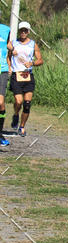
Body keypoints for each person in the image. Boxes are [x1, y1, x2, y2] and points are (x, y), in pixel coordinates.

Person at [8, 22, 43, 136]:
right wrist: (9, 67)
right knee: (19, 101)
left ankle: (22, 126)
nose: (23, 32)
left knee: (27, 104)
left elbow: (40, 60)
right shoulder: (13, 43)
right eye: (21, 30)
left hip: (28, 76)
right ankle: (16, 114)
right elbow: (8, 57)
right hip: (16, 75)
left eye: (25, 30)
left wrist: (32, 63)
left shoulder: (33, 44)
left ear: (28, 32)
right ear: (19, 31)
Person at [0, 19, 11, 147]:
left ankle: (0, 133)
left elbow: (9, 45)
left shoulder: (5, 29)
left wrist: (14, 50)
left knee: (1, 102)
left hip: (2, 70)